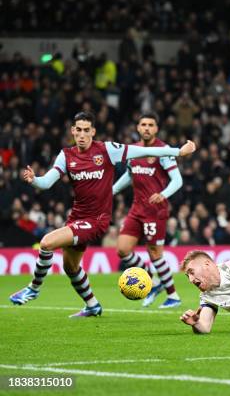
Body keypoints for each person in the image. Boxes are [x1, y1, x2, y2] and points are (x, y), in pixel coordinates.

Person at [9, 111, 196, 317]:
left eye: (86, 130)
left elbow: (142, 151)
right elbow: (46, 183)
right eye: (78, 130)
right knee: (71, 267)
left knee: (46, 243)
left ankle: (33, 289)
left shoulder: (107, 150)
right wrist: (34, 179)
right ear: (72, 131)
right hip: (77, 217)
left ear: (93, 132)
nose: (81, 134)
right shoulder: (66, 155)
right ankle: (92, 306)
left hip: (97, 220)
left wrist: (178, 152)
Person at [113, 112, 183, 308]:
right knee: (122, 249)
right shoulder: (132, 150)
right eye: (143, 124)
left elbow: (178, 180)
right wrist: (112, 190)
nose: (146, 128)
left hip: (156, 211)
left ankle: (173, 296)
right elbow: (129, 174)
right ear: (137, 128)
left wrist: (163, 194)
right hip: (136, 208)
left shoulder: (164, 150)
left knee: (154, 253)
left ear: (156, 129)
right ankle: (151, 279)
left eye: (150, 125)